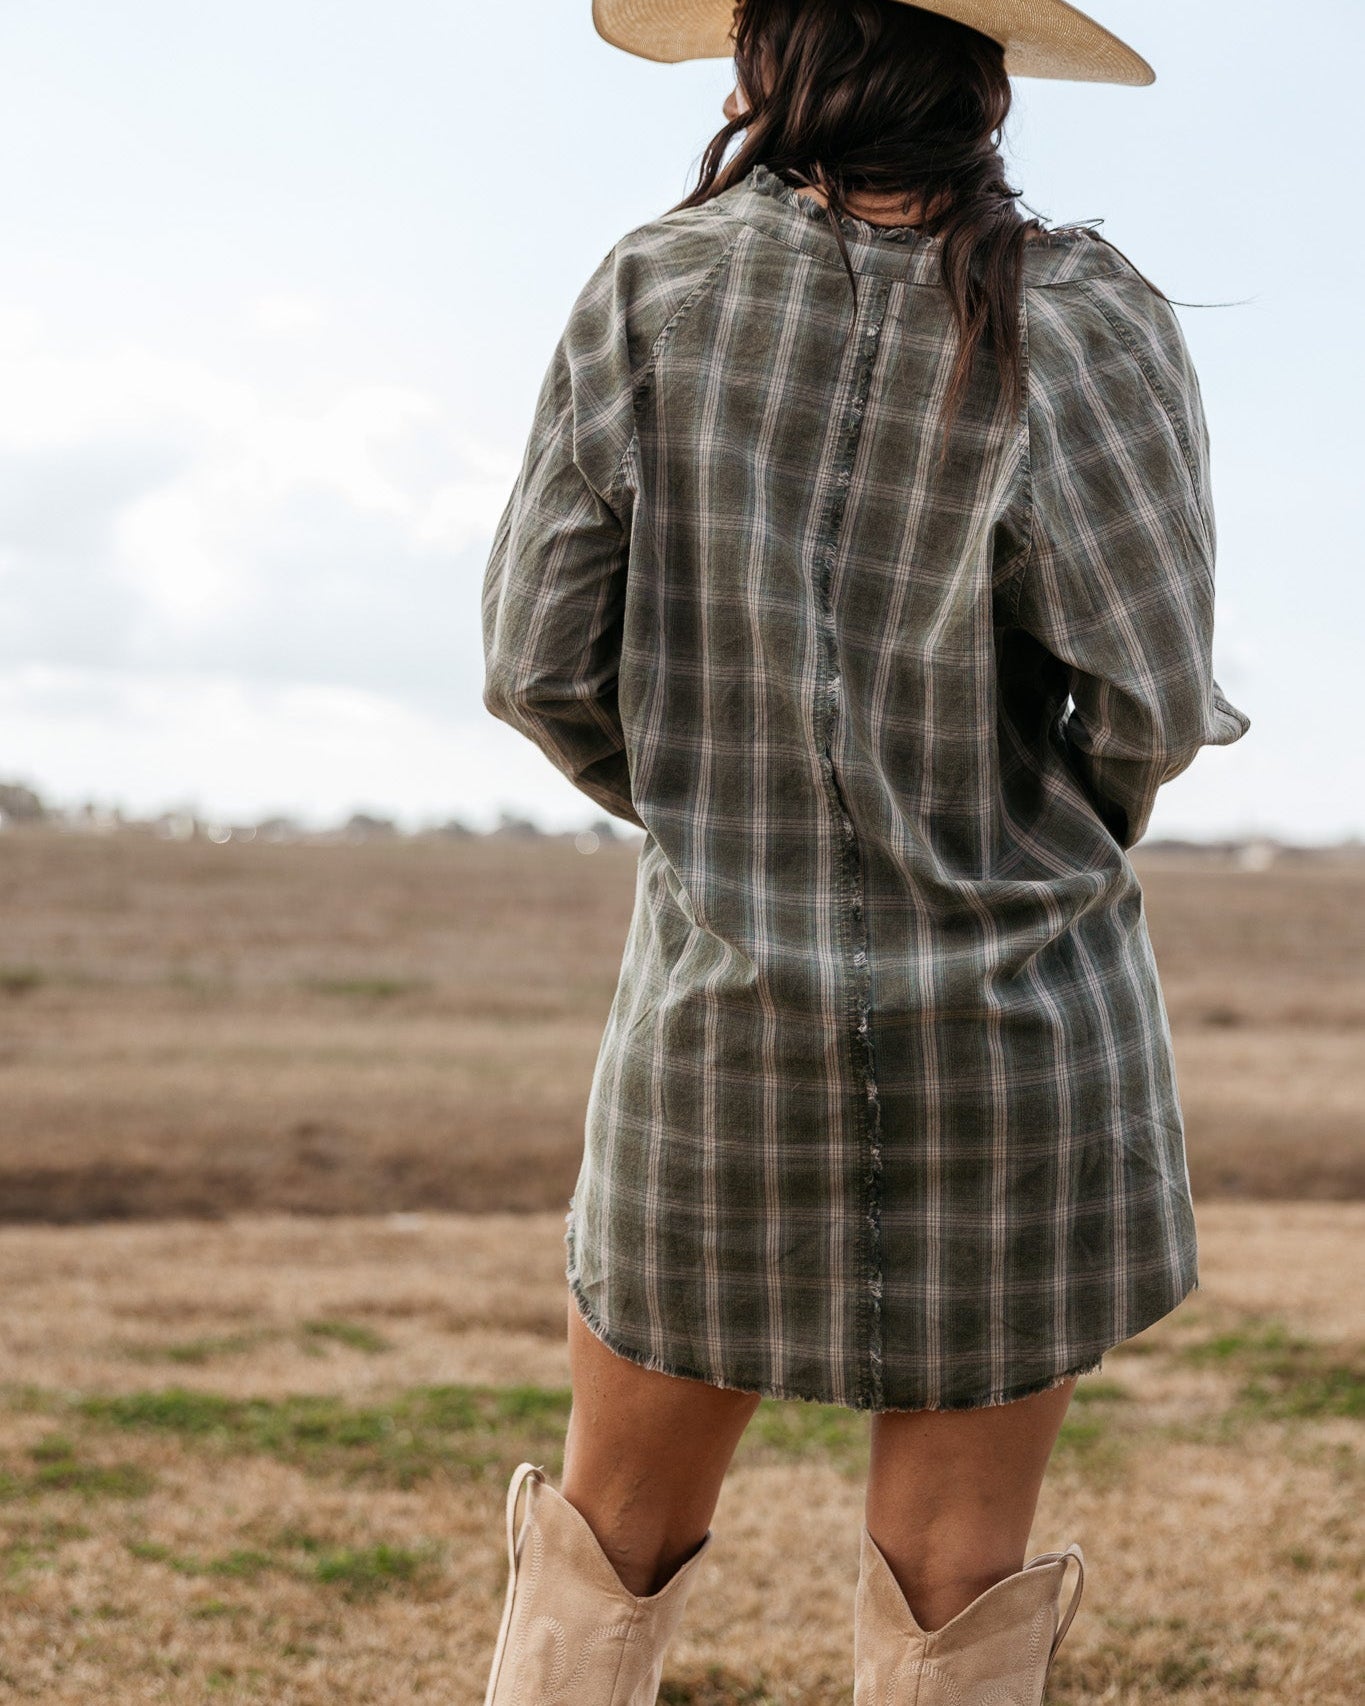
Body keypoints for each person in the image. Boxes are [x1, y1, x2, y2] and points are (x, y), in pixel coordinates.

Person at [478, 1, 1251, 1700]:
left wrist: (725, 809)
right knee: (957, 1579)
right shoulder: (1086, 313)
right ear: (978, 77)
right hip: (1023, 1026)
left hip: (715, 1018)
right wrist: (1019, 844)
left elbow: (538, 665)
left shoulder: (654, 288)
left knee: (607, 1533)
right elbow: (1147, 695)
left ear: (771, 65)